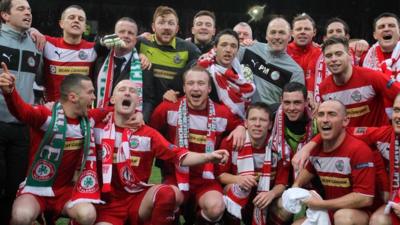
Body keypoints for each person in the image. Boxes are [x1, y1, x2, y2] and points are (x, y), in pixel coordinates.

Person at [93, 79, 229, 225]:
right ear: (113, 99)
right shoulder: (96, 128)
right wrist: (108, 111)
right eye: (122, 90)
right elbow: (77, 112)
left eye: (132, 91)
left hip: (138, 200)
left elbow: (180, 156)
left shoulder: (148, 133)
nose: (127, 93)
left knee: (166, 193)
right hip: (108, 205)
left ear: (138, 101)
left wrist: (209, 156)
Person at [0, 72, 109, 225]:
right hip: (36, 189)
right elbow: (22, 111)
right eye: (90, 92)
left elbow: (112, 111)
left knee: (88, 215)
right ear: (73, 97)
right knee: (21, 216)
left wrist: (135, 115)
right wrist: (10, 92)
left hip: (65, 191)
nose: (94, 98)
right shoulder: (46, 115)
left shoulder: (88, 118)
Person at [150, 66, 246, 225]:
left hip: (206, 179)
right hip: (175, 176)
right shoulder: (167, 108)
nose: (195, 88)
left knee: (216, 208)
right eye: (190, 83)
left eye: (201, 83)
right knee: (166, 198)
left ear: (209, 88)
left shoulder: (222, 113)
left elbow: (240, 123)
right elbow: (150, 134)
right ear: (183, 87)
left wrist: (241, 127)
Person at [292, 100, 375, 225]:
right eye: (321, 114)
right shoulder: (317, 149)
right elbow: (306, 172)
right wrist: (295, 187)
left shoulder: (359, 149)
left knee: (343, 217)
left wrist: (320, 205)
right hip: (330, 211)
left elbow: (365, 198)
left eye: (332, 114)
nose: (325, 119)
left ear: (345, 121)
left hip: (359, 213)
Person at [0, 0, 42, 223]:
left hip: (22, 128)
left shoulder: (36, 42)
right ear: (5, 16)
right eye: (21, 9)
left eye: (29, 10)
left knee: (14, 187)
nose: (28, 12)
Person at [218, 102, 289, 225]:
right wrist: (238, 179)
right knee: (236, 189)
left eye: (262, 120)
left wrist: (271, 194)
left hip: (265, 197)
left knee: (285, 205)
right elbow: (220, 175)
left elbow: (282, 184)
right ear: (245, 123)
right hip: (241, 193)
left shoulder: (279, 148)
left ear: (270, 124)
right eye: (253, 119)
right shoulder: (232, 142)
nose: (257, 124)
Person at [319, 36, 400, 127]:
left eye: (338, 54)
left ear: (349, 54)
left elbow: (398, 94)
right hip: (345, 140)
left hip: (376, 139)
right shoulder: (324, 88)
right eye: (328, 56)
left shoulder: (372, 77)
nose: (333, 59)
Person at [95, 17, 155, 122]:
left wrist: (142, 117)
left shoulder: (143, 66)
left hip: (128, 123)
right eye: (121, 32)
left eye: (130, 33)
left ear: (136, 40)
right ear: (114, 36)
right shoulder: (99, 60)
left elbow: (148, 100)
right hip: (99, 120)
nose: (126, 35)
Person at [137, 6, 201, 105]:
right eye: (161, 23)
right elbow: (117, 44)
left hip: (172, 104)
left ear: (177, 28)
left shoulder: (189, 49)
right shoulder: (141, 43)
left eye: (171, 23)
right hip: (143, 105)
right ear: (153, 27)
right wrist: (136, 54)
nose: (166, 27)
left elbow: (203, 71)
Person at [238, 16, 305, 105]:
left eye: (281, 32)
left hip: (270, 117)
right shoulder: (248, 48)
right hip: (239, 114)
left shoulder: (295, 72)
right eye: (273, 32)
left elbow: (295, 106)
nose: (277, 37)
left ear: (289, 37)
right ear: (266, 36)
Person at [307, 17, 369, 107]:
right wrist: (311, 97)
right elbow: (311, 80)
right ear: (325, 38)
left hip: (354, 102)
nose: (335, 34)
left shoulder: (358, 51)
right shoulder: (315, 54)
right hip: (323, 105)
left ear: (347, 37)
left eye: (339, 31)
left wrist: (364, 43)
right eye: (331, 32)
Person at [41, 5, 97, 102]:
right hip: (54, 111)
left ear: (85, 27)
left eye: (81, 19)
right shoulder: (47, 43)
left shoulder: (94, 49)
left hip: (82, 111)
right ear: (61, 23)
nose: (76, 21)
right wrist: (32, 31)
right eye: (71, 17)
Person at [197, 29, 255, 119]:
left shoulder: (244, 72)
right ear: (215, 48)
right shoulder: (201, 68)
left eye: (233, 46)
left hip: (238, 124)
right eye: (224, 45)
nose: (228, 50)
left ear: (237, 50)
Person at [363, 12, 400, 79]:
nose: (386, 29)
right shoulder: (365, 57)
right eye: (381, 27)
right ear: (375, 35)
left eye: (391, 26)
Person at [287, 13, 321, 84]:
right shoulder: (283, 52)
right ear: (292, 33)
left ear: (314, 32)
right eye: (299, 29)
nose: (302, 32)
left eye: (307, 29)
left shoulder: (321, 54)